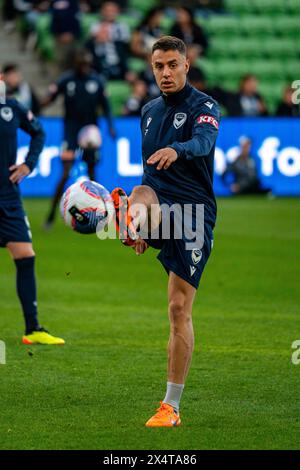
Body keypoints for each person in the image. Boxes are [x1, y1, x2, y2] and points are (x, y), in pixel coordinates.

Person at [110, 36, 220, 427]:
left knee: (178, 308)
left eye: (173, 64)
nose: (166, 73)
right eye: (159, 66)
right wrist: (142, 222)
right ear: (152, 68)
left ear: (186, 65)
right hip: (159, 206)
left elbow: (205, 141)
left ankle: (170, 407)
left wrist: (180, 149)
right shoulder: (149, 111)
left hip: (193, 216)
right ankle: (131, 222)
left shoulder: (204, 106)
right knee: (140, 190)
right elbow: (147, 173)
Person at [0, 77, 65, 345]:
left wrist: (28, 164)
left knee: (26, 256)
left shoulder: (12, 107)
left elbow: (38, 132)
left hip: (8, 197)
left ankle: (33, 329)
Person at [41, 48, 115, 229]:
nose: (84, 67)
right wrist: (37, 107)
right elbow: (50, 97)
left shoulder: (97, 81)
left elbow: (106, 107)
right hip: (71, 133)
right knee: (65, 173)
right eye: (81, 64)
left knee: (92, 175)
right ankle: (51, 215)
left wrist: (111, 126)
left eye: (86, 64)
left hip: (90, 133)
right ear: (75, 64)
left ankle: (100, 214)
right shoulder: (66, 80)